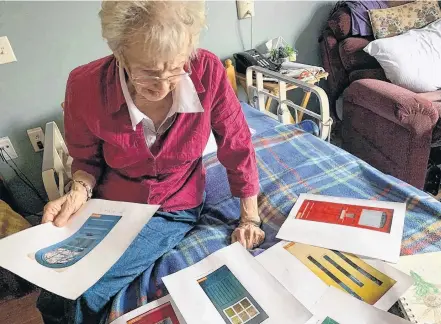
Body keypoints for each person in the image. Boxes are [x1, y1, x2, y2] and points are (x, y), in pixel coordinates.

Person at [37, 1, 265, 323]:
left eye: (176, 68)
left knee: (84, 292)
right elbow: (86, 159)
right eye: (147, 72)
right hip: (110, 202)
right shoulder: (83, 85)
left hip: (174, 205)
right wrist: (77, 193)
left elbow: (237, 144)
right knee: (51, 287)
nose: (163, 85)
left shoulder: (208, 70)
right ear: (119, 53)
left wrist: (249, 218)